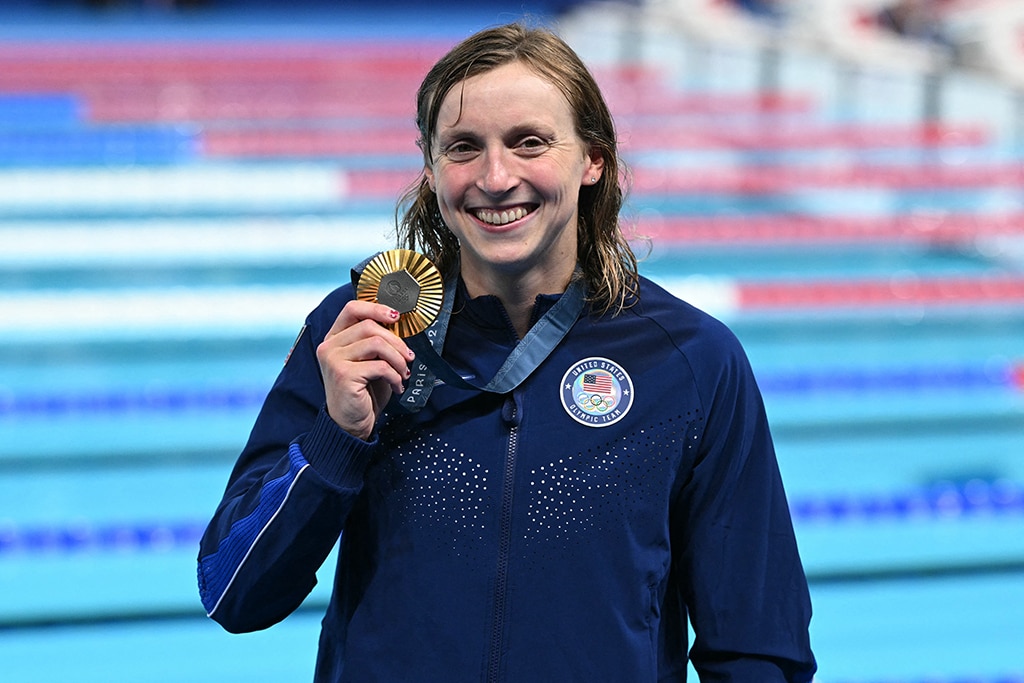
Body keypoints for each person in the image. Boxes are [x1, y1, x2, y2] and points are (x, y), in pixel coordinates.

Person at [197, 22, 817, 682]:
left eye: (529, 142)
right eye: (464, 147)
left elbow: (758, 644)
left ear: (592, 159)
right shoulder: (362, 332)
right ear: (432, 171)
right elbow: (232, 592)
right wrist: (339, 438)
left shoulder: (691, 359)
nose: (496, 177)